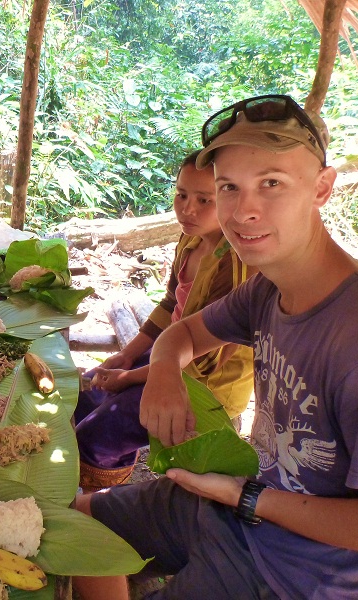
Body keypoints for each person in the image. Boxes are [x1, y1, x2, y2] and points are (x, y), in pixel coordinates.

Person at [73, 95, 358, 600]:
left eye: (272, 184)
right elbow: (184, 333)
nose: (244, 210)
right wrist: (163, 372)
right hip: (234, 504)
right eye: (229, 188)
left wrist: (247, 497)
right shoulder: (268, 288)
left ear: (322, 188)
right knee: (74, 523)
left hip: (301, 573)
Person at [75, 150, 256, 491]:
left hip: (206, 383)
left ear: (233, 200)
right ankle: (101, 482)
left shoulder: (234, 268)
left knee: (98, 434)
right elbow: (171, 302)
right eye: (182, 194)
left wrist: (129, 377)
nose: (188, 209)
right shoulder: (191, 239)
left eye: (205, 200)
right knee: (84, 391)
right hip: (170, 354)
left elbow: (203, 362)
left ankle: (96, 502)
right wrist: (129, 354)